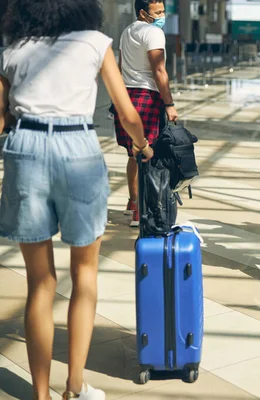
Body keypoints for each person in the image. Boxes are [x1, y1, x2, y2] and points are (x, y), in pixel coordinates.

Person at [0, 0, 154, 399]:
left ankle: (40, 394)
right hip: (78, 149)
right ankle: (74, 387)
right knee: (84, 275)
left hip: (26, 150)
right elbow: (127, 113)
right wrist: (142, 146)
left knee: (40, 283)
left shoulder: (13, 48)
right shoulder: (95, 42)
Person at [114, 0, 178, 227]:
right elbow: (159, 70)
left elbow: (121, 65)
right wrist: (169, 103)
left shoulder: (127, 31)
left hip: (127, 96)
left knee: (133, 154)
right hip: (147, 98)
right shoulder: (153, 33)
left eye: (163, 11)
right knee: (146, 154)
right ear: (143, 13)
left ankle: (133, 202)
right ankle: (141, 211)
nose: (162, 15)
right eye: (157, 12)